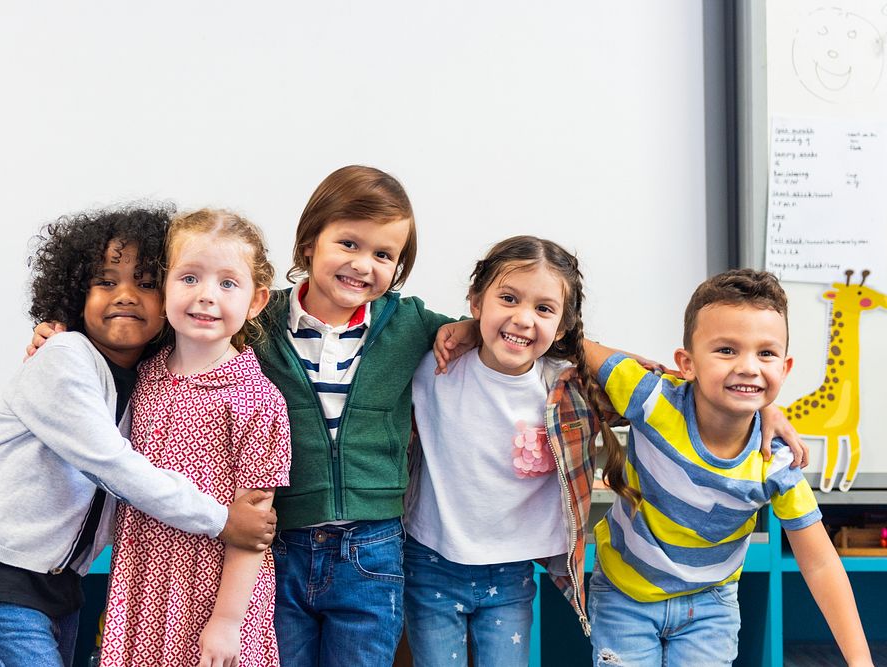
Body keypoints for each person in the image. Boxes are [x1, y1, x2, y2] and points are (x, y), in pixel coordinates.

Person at [0, 205, 277, 667]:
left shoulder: (155, 376)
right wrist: (221, 520)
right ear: (74, 292)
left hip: (57, 576)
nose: (126, 296)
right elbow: (112, 463)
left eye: (146, 283)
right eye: (106, 282)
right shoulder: (64, 355)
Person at [583, 269, 872, 667]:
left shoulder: (776, 462)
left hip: (710, 607)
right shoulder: (650, 397)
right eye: (726, 350)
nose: (749, 366)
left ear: (785, 370)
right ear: (687, 363)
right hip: (624, 595)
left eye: (765, 353)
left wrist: (861, 662)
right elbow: (570, 340)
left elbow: (821, 562)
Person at [250, 165, 471, 666]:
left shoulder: (408, 322)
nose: (363, 264)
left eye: (383, 254)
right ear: (309, 243)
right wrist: (63, 330)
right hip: (278, 544)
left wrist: (469, 332)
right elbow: (177, 325)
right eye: (348, 243)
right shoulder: (256, 319)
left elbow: (497, 330)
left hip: (371, 547)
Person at [403, 236, 631, 666]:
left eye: (544, 309)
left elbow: (659, 389)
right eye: (508, 298)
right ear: (476, 301)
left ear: (562, 326)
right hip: (430, 562)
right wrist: (469, 328)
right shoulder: (434, 366)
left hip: (512, 570)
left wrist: (762, 409)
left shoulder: (567, 388)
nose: (523, 319)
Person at [98, 209, 291, 667]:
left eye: (228, 284)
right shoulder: (143, 373)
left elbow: (253, 528)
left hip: (217, 597)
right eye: (189, 278)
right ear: (164, 286)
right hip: (143, 587)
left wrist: (226, 623)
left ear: (257, 300)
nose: (206, 296)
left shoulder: (257, 400)